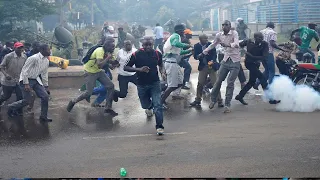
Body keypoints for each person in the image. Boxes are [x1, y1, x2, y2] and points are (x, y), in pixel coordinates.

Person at [124, 37, 165, 135]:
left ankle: (159, 126)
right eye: (145, 45)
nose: (148, 46)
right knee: (145, 105)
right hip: (141, 84)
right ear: (142, 45)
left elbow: (161, 64)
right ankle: (149, 107)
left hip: (155, 83)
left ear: (153, 44)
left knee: (158, 105)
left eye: (150, 44)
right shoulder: (136, 54)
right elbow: (126, 67)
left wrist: (162, 72)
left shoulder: (157, 54)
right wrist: (139, 69)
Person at [67, 37, 118, 116]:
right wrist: (108, 58)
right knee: (88, 93)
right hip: (90, 72)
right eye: (112, 47)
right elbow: (100, 65)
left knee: (111, 86)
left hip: (98, 71)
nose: (113, 48)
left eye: (114, 46)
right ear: (107, 46)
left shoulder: (109, 52)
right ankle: (73, 101)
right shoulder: (99, 51)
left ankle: (108, 108)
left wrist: (114, 63)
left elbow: (111, 63)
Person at [202, 20, 241, 113]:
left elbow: (236, 44)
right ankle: (213, 100)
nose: (224, 26)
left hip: (235, 61)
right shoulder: (219, 35)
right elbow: (213, 44)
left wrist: (227, 45)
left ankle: (227, 105)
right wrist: (205, 51)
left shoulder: (234, 33)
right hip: (225, 60)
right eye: (223, 25)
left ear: (229, 26)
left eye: (226, 25)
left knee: (230, 83)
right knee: (218, 81)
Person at [7, 44, 52, 122]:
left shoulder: (46, 60)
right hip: (26, 79)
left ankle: (43, 116)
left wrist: (46, 86)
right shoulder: (33, 58)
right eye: (48, 50)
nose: (49, 51)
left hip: (36, 80)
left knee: (45, 96)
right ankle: (11, 107)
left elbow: (44, 74)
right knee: (27, 100)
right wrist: (26, 83)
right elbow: (25, 70)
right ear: (42, 50)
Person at [235, 32, 280, 105]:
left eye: (262, 38)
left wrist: (251, 56)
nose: (261, 39)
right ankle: (271, 99)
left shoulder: (264, 44)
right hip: (249, 63)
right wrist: (243, 51)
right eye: (259, 38)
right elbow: (239, 45)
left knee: (252, 82)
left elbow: (264, 57)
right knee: (262, 78)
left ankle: (240, 96)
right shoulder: (249, 41)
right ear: (255, 38)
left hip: (256, 64)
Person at [161, 24, 192, 108]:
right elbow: (176, 43)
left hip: (174, 63)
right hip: (171, 63)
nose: (184, 33)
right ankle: (161, 100)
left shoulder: (177, 37)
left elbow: (180, 52)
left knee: (180, 82)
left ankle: (166, 94)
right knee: (172, 85)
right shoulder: (176, 36)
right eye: (183, 31)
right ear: (179, 31)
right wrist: (186, 45)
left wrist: (190, 51)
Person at [190, 34, 224, 108]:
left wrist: (212, 61)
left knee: (215, 83)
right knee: (200, 83)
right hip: (203, 67)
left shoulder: (210, 45)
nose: (206, 40)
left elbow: (214, 55)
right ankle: (198, 100)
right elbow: (195, 56)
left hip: (212, 66)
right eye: (204, 39)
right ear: (200, 39)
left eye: (207, 38)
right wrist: (198, 56)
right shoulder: (196, 46)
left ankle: (219, 100)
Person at [254, 22, 285, 88]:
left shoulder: (261, 31)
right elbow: (272, 43)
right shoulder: (272, 32)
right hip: (269, 54)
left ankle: (257, 83)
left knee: (267, 70)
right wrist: (281, 49)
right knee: (272, 72)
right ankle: (271, 88)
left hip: (261, 54)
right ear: (273, 26)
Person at [0, 42, 27, 111]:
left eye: (21, 48)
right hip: (8, 80)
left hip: (18, 80)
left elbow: (25, 68)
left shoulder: (24, 57)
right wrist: (6, 75)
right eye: (18, 48)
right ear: (14, 48)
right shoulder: (9, 56)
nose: (20, 49)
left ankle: (17, 110)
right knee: (6, 96)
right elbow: (1, 67)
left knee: (20, 96)